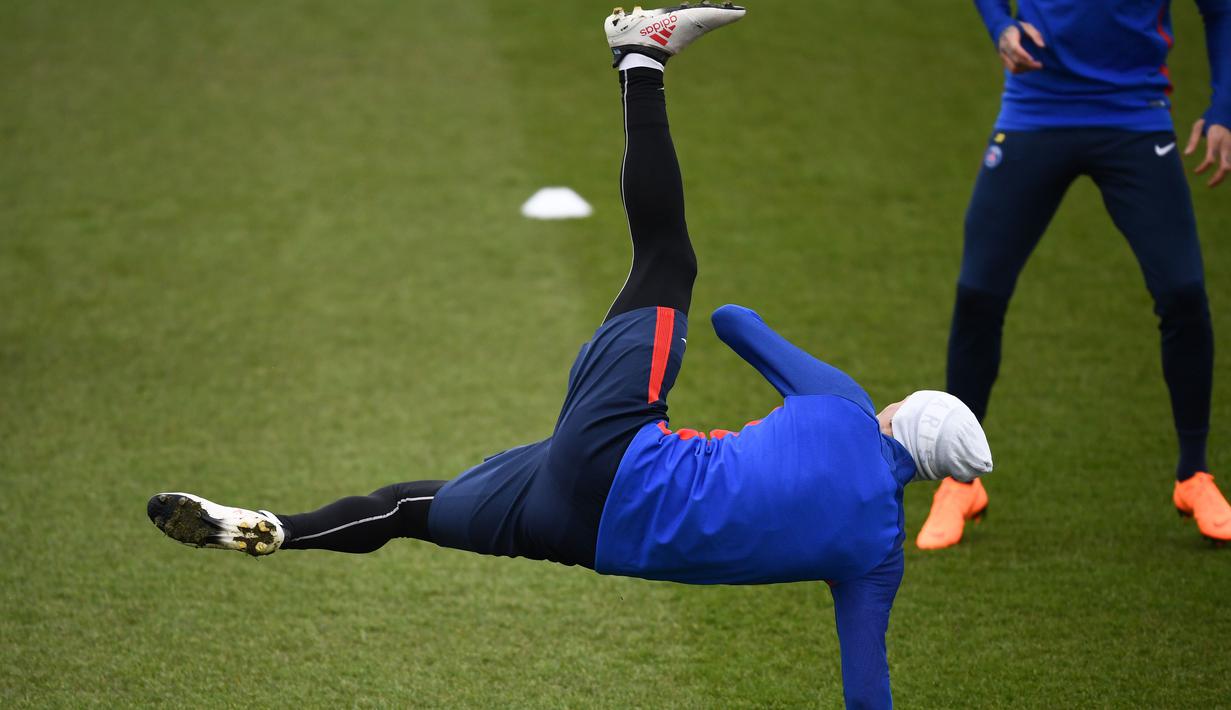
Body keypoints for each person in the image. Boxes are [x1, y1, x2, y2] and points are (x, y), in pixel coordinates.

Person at [147, 6, 993, 707]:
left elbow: (734, 322)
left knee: (668, 260)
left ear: (903, 418)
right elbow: (866, 688)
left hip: (617, 452)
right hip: (578, 531)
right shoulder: (876, 555)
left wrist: (821, 402)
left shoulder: (845, 409)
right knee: (408, 508)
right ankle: (276, 531)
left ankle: (640, 57)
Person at [919, 0, 1231, 550]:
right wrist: (1000, 27)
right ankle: (959, 482)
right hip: (1035, 110)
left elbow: (1221, 10)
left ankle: (1194, 476)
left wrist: (1224, 107)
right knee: (978, 295)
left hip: (1135, 116)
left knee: (1183, 293)